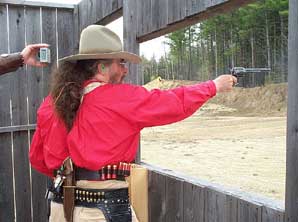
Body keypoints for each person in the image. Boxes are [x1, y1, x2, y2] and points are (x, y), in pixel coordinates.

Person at [29, 25, 237, 222]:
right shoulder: (119, 98)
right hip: (100, 211)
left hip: (60, 208)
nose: (125, 70)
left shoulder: (53, 102)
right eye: (121, 63)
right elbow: (172, 103)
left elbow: (37, 158)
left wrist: (72, 178)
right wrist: (213, 86)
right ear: (102, 66)